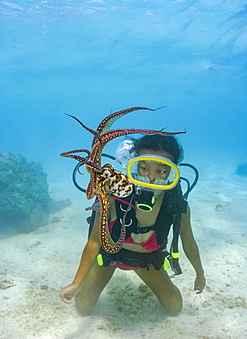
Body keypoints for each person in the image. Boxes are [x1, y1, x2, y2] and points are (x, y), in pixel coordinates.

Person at [60, 135, 206, 315]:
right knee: (83, 308)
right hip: (108, 258)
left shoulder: (175, 204)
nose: (151, 178)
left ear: (173, 173)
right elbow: (94, 242)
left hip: (147, 262)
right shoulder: (112, 196)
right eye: (144, 168)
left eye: (161, 171)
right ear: (133, 165)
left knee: (175, 308)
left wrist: (200, 273)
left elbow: (189, 242)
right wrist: (77, 282)